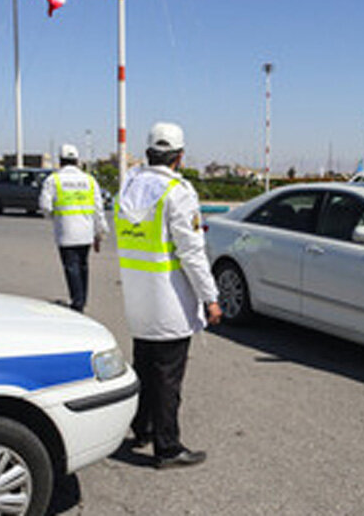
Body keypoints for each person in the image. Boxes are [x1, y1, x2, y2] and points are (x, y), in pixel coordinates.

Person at [116, 122, 222, 469]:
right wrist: (210, 297)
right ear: (179, 156)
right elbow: (192, 253)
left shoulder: (128, 187)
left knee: (145, 367)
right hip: (169, 302)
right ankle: (168, 447)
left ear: (148, 152)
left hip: (138, 299)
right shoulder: (177, 192)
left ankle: (142, 428)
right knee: (168, 378)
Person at [39, 144, 108, 313]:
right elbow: (98, 209)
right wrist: (100, 233)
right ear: (77, 161)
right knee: (83, 265)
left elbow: (44, 206)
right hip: (86, 232)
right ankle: (82, 299)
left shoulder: (53, 180)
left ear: (61, 161)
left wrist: (56, 217)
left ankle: (77, 303)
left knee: (71, 267)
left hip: (66, 231)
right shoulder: (89, 180)